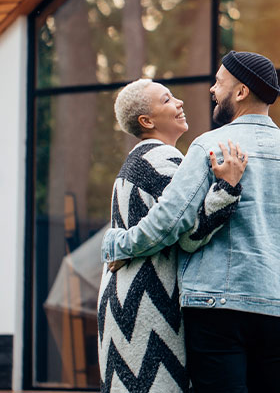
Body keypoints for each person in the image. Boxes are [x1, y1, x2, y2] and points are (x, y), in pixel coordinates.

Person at [102, 51, 280, 393]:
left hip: (214, 311)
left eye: (219, 82)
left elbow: (170, 221)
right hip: (276, 309)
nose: (211, 89)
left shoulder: (209, 146)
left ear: (240, 92)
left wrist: (118, 243)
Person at [97, 78, 248, 393]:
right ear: (147, 121)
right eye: (166, 100)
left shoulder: (137, 160)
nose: (178, 102)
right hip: (150, 303)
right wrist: (228, 187)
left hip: (127, 300)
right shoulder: (163, 160)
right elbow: (189, 235)